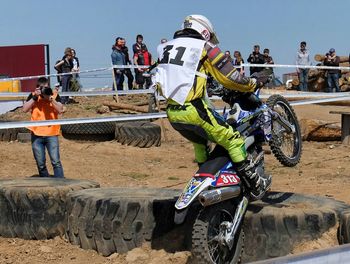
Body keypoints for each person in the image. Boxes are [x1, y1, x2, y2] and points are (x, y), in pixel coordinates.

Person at [154, 14, 271, 200]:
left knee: (200, 142)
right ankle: (255, 183)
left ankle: (206, 179)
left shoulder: (164, 47)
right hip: (194, 110)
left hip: (172, 113)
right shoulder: (205, 47)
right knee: (233, 140)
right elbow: (231, 77)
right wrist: (253, 83)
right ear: (205, 31)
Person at [22, 77, 64, 178]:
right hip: (36, 134)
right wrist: (35, 97)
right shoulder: (33, 95)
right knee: (40, 164)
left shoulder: (54, 95)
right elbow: (24, 109)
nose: (45, 90)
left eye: (46, 88)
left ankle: (61, 185)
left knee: (56, 162)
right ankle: (46, 184)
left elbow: (60, 109)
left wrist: (51, 99)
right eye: (43, 88)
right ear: (38, 88)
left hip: (52, 133)